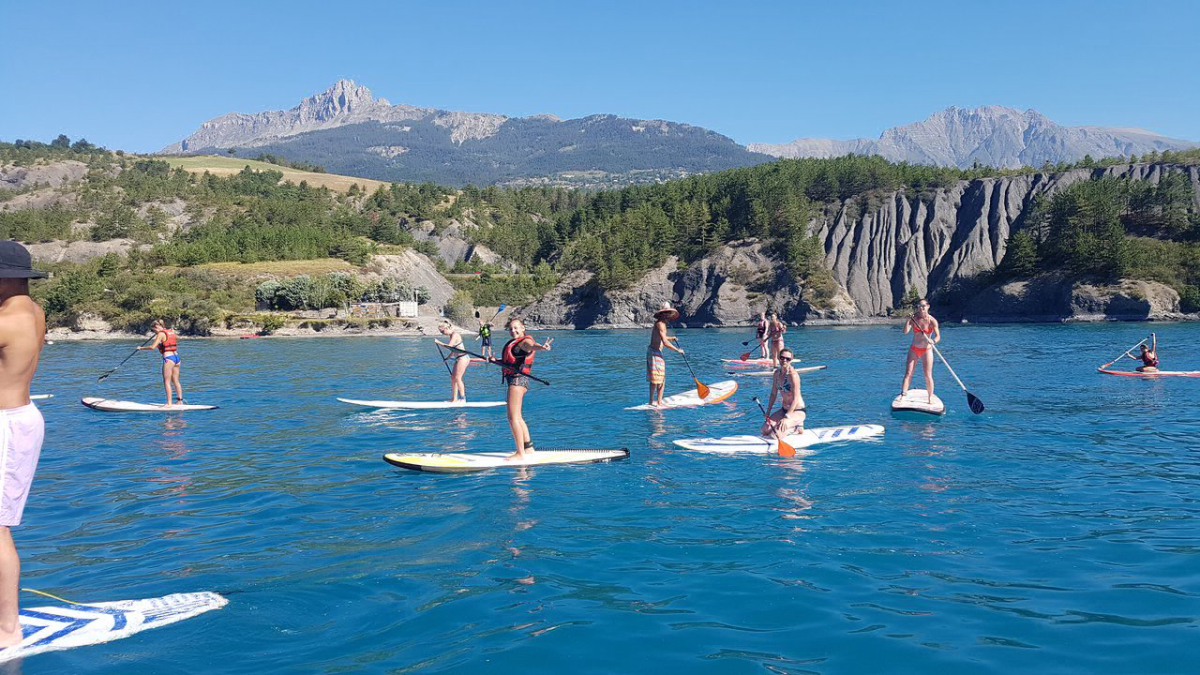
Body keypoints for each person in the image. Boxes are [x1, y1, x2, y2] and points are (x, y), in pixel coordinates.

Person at [0, 241, 47, 649]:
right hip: (21, 418)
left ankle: (8, 630)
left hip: (6, 425)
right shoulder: (35, 312)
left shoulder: (7, 319)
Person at [500, 318, 553, 460]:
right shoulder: (515, 344)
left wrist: (541, 347)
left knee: (513, 418)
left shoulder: (525, 341)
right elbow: (509, 362)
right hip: (518, 380)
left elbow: (531, 345)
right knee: (518, 417)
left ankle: (520, 453)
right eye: (511, 329)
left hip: (517, 381)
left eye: (516, 328)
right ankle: (528, 448)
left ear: (523, 328)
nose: (513, 331)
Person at [900, 299, 940, 403]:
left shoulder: (932, 321)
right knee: (908, 373)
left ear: (928, 306)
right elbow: (905, 332)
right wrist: (908, 320)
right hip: (914, 349)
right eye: (919, 306)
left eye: (923, 306)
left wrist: (933, 341)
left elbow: (938, 336)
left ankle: (930, 397)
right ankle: (903, 394)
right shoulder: (914, 318)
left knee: (928, 375)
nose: (921, 308)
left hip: (927, 350)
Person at [137, 319, 183, 407]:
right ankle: (180, 401)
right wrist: (163, 344)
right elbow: (177, 338)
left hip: (169, 359)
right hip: (177, 358)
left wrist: (141, 348)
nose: (154, 332)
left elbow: (152, 347)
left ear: (156, 327)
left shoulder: (161, 334)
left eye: (154, 330)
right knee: (176, 381)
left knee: (166, 381)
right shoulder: (170, 331)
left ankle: (169, 403)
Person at [647, 302, 685, 407]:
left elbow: (661, 337)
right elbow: (664, 342)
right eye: (666, 313)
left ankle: (651, 402)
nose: (668, 315)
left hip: (652, 352)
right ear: (662, 314)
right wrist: (677, 350)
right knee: (661, 379)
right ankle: (659, 403)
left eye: (668, 313)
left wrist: (671, 338)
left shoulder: (659, 323)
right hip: (655, 353)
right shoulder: (661, 324)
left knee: (655, 379)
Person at [762, 347, 805, 438]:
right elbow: (773, 394)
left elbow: (796, 398)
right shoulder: (776, 374)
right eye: (782, 357)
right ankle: (790, 425)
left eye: (787, 359)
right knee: (765, 430)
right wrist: (768, 412)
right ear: (778, 358)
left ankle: (796, 427)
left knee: (775, 435)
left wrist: (787, 417)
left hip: (797, 410)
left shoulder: (793, 375)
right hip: (784, 410)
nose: (784, 360)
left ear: (791, 360)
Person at [435, 321, 470, 402]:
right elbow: (454, 349)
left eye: (443, 331)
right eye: (441, 332)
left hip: (463, 358)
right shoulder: (451, 335)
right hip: (458, 358)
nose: (442, 334)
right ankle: (454, 399)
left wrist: (438, 342)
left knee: (458, 378)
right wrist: (448, 358)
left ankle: (463, 399)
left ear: (447, 328)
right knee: (453, 377)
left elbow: (449, 346)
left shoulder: (455, 334)